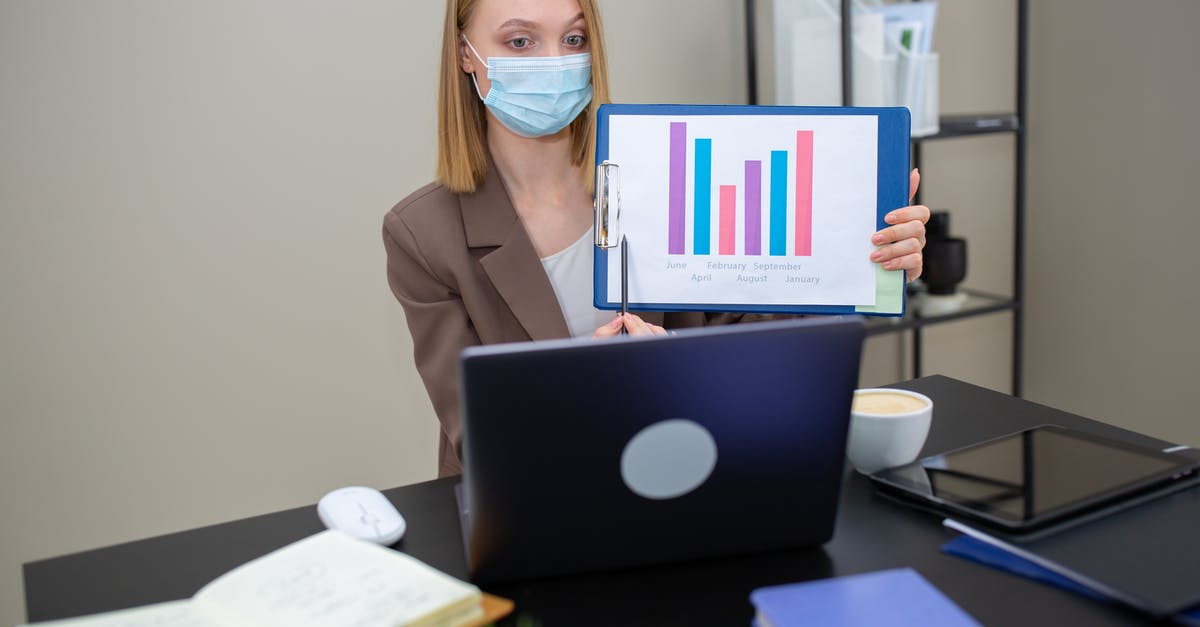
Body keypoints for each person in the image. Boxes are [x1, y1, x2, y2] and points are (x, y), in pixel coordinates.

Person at [383, 0, 930, 477]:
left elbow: (763, 338)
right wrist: (595, 384)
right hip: (538, 507)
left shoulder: (669, 175)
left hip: (691, 477)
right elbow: (479, 433)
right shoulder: (423, 234)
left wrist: (862, 261)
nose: (555, 61)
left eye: (574, 38)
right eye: (520, 41)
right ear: (464, 54)